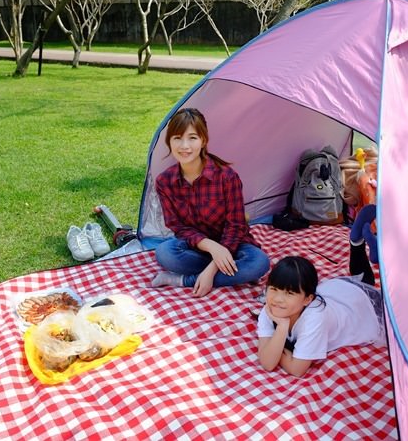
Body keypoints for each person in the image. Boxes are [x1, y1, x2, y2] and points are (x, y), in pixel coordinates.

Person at [151, 107, 270, 297]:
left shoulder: (226, 176)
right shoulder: (164, 182)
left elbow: (236, 225)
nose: (184, 146)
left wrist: (213, 267)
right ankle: (235, 273)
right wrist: (212, 247)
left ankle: (183, 280)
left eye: (192, 138)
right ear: (169, 142)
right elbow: (178, 228)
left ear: (203, 140)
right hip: (197, 247)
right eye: (177, 138)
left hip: (234, 244)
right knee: (164, 253)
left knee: (259, 263)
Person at [257, 206, 384, 377]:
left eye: (289, 293)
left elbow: (297, 369)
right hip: (336, 293)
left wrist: (276, 346)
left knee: (368, 286)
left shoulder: (315, 318)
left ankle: (371, 251)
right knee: (361, 280)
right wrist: (282, 327)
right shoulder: (271, 308)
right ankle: (356, 242)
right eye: (273, 289)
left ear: (307, 299)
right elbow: (267, 363)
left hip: (358, 310)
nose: (278, 299)